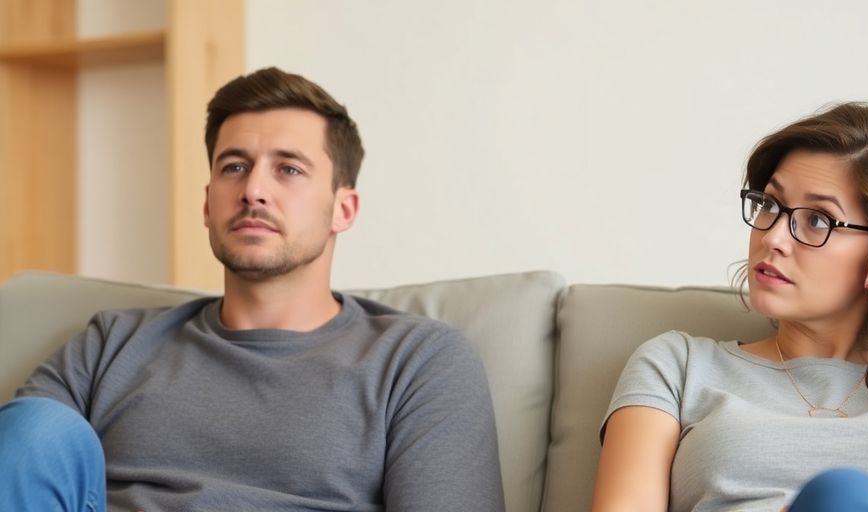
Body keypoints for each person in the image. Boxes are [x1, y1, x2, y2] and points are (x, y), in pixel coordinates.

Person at [0, 67, 505, 512]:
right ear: (207, 204)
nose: (253, 190)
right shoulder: (112, 343)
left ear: (343, 209)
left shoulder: (417, 360)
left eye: (289, 169)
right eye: (234, 166)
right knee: (37, 427)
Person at [593, 102, 868, 511]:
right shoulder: (678, 365)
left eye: (817, 219)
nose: (773, 238)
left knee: (843, 495)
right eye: (770, 205)